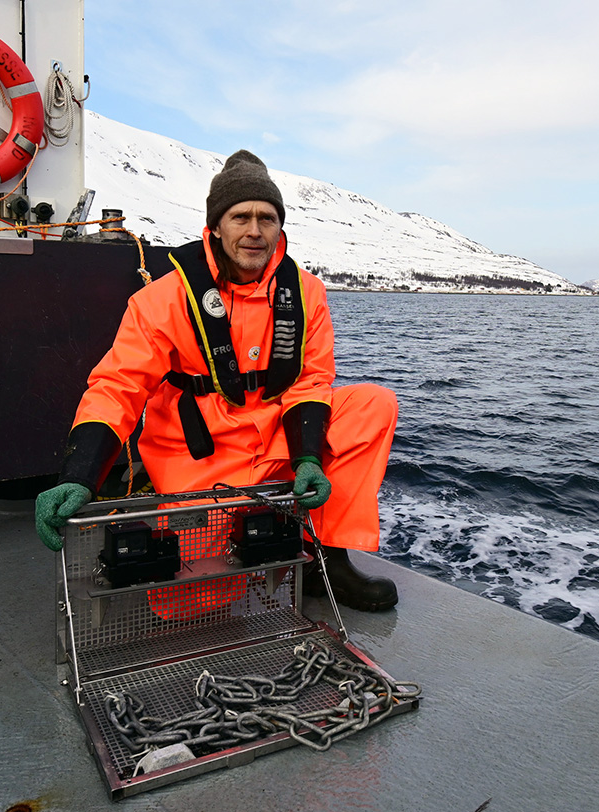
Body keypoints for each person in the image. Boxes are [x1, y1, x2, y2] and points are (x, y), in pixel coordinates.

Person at [34, 150, 399, 611]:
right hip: (200, 454)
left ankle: (323, 557)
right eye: (240, 216)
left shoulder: (306, 293)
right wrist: (79, 475)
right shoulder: (162, 299)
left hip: (276, 439)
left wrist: (308, 456)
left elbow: (311, 380)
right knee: (189, 604)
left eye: (267, 218)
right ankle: (215, 542)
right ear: (215, 226)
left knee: (372, 404)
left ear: (279, 227)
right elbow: (116, 386)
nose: (254, 230)